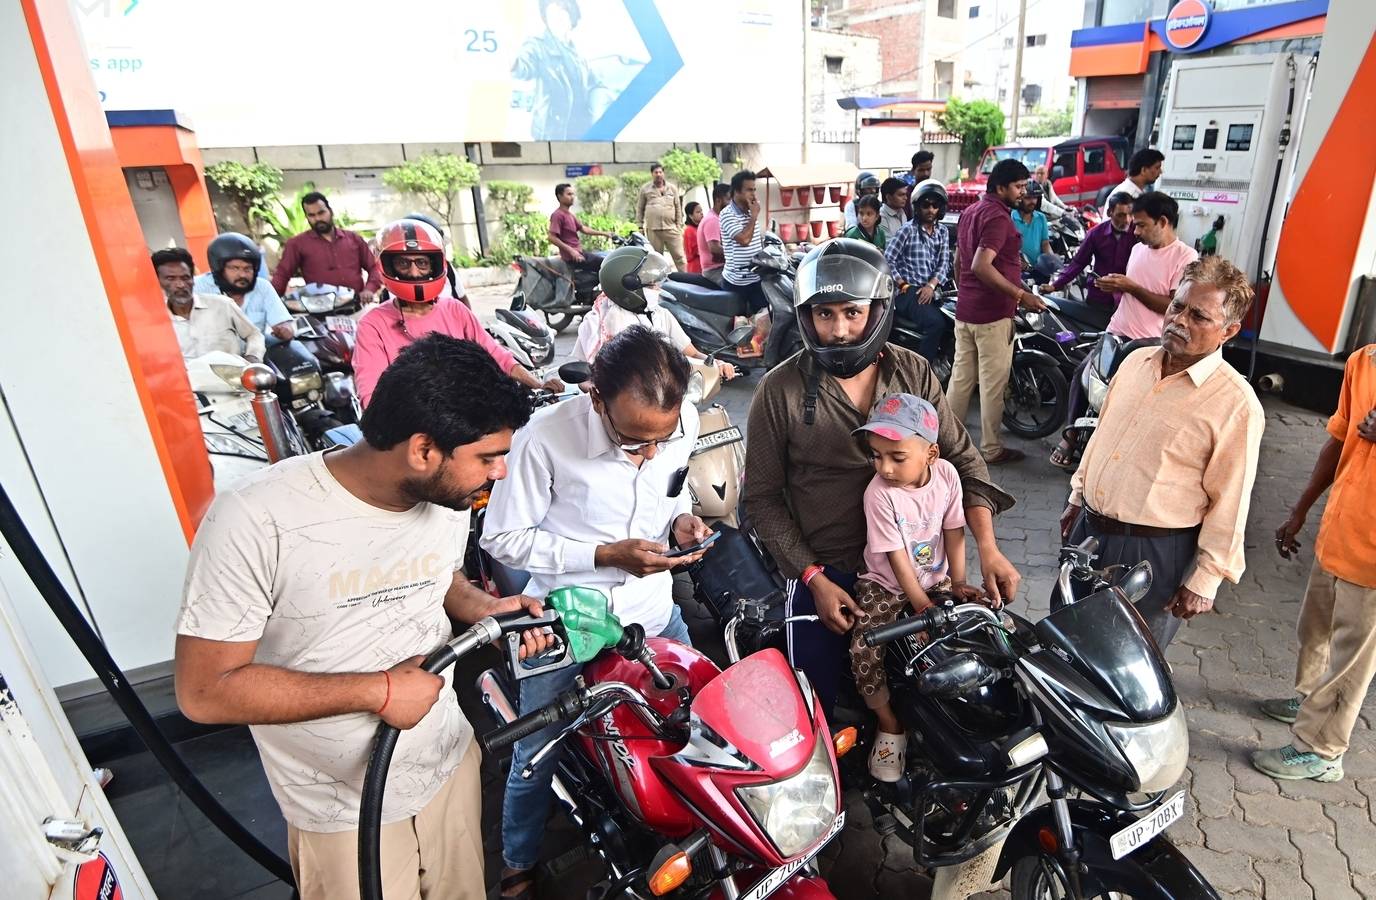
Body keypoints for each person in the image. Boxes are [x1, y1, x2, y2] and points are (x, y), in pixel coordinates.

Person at [173, 334, 552, 900]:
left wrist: (488, 610)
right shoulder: (255, 518)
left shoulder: (446, 496)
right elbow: (205, 691)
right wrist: (378, 691)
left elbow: (440, 579)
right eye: (487, 457)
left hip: (446, 766)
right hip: (341, 805)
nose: (500, 472)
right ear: (423, 450)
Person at [482, 326, 712, 900]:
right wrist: (602, 556)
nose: (650, 451)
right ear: (595, 399)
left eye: (661, 438)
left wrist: (682, 522)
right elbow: (502, 538)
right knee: (536, 749)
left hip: (652, 612)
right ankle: (518, 859)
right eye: (633, 440)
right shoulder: (543, 439)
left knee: (705, 718)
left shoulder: (679, 423)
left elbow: (672, 491)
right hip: (564, 621)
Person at [745, 239, 1018, 718]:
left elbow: (963, 460)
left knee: (955, 691)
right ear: (806, 316)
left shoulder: (913, 371)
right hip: (825, 567)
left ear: (878, 310)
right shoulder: (779, 389)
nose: (839, 330)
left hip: (917, 567)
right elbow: (762, 499)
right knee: (811, 697)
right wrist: (813, 578)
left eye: (852, 313)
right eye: (824, 315)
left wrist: (990, 548)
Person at [1060, 256, 1263, 649]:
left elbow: (1231, 500)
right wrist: (1076, 497)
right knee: (1066, 642)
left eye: (1198, 316)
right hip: (1088, 531)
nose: (1179, 321)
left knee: (1123, 659)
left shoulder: (1236, 403)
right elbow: (1102, 437)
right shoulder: (1135, 362)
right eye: (1177, 306)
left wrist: (1205, 580)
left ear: (1229, 331)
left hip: (1151, 554)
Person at [1256, 345, 1376, 783]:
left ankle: (1321, 750)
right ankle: (1309, 699)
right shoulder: (1363, 361)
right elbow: (1339, 441)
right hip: (1341, 530)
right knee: (1316, 630)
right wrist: (1300, 509)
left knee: (1350, 660)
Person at [850, 394, 982, 781]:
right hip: (886, 585)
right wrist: (922, 606)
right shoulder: (878, 493)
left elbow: (954, 531)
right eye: (876, 456)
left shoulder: (948, 476)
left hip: (935, 579)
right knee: (863, 646)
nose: (884, 468)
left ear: (931, 454)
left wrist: (959, 583)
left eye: (897, 457)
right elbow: (896, 560)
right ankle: (889, 723)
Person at [353, 219, 562, 406]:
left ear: (435, 265)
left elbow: (496, 355)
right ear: (388, 266)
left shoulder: (455, 310)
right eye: (403, 263)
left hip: (469, 416)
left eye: (422, 263)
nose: (414, 272)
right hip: (414, 426)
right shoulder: (373, 324)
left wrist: (537, 384)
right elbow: (372, 395)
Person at [946, 159, 1046, 465]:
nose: (1023, 192)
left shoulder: (971, 212)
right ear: (1001, 187)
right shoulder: (998, 217)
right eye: (1018, 186)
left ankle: (945, 443)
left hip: (966, 311)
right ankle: (991, 449)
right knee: (993, 384)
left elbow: (959, 263)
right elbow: (980, 265)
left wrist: (967, 293)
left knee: (961, 379)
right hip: (992, 315)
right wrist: (1021, 295)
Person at [572, 245, 736, 380]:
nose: (658, 289)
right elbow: (588, 379)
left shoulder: (661, 314)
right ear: (628, 287)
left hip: (668, 393)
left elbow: (692, 353)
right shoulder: (598, 322)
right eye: (651, 285)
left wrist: (717, 363)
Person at [1096, 193, 1199, 341]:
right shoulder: (1137, 249)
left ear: (1162, 222)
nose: (1135, 231)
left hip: (1145, 343)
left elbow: (1174, 307)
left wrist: (1131, 287)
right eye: (1135, 225)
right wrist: (1117, 285)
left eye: (1141, 225)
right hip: (1114, 331)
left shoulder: (1185, 256)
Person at [511, 0, 603, 140]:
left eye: (562, 13)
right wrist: (511, 62)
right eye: (552, 15)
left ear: (571, 15)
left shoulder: (578, 54)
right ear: (546, 20)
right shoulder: (538, 46)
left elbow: (593, 85)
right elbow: (523, 68)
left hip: (580, 134)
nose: (557, 19)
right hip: (552, 136)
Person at [270, 192, 383, 302]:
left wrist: (369, 289)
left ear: (331, 211)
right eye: (312, 215)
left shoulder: (353, 239)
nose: (317, 219)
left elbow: (375, 267)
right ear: (307, 217)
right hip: (320, 308)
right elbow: (282, 274)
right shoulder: (297, 244)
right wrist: (270, 301)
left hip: (357, 304)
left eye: (321, 213)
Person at [156, 247, 265, 362]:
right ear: (158, 281)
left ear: (193, 279)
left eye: (185, 278)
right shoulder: (154, 323)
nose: (180, 285)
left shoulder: (223, 305)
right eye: (171, 279)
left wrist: (253, 357)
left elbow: (254, 334)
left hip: (231, 373)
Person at [884, 179, 952, 362]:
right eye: (926, 205)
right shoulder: (907, 231)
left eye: (935, 205)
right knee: (935, 323)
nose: (930, 210)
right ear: (917, 207)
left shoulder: (943, 232)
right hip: (908, 291)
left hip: (932, 290)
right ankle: (923, 369)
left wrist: (931, 285)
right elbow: (888, 259)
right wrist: (903, 285)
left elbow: (944, 262)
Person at [1041, 191, 1139, 309]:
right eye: (1121, 215)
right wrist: (1055, 285)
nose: (1127, 220)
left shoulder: (1138, 234)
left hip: (1129, 297)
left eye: (1130, 215)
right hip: (1100, 297)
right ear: (1110, 212)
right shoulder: (1096, 234)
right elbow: (1078, 263)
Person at [195, 233, 295, 345]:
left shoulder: (262, 287)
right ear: (218, 268)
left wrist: (285, 330)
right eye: (235, 268)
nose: (242, 275)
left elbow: (283, 322)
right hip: (211, 353)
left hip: (255, 352)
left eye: (248, 269)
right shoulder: (197, 287)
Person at [719, 170, 768, 315]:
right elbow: (744, 240)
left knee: (763, 318)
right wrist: (754, 216)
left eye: (754, 190)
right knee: (737, 323)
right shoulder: (727, 214)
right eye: (749, 190)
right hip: (737, 282)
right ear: (736, 191)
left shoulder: (751, 211)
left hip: (756, 277)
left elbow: (756, 240)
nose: (753, 194)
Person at [548, 182, 614, 273]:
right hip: (573, 257)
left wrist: (605, 233)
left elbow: (583, 229)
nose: (572, 197)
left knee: (606, 258)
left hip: (579, 252)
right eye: (569, 194)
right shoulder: (557, 215)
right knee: (606, 264)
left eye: (573, 194)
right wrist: (572, 251)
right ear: (560, 196)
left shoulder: (570, 215)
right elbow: (552, 237)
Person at [636, 163, 686, 270]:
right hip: (654, 229)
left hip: (671, 228)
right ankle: (659, 279)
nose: (658, 174)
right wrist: (640, 226)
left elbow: (678, 207)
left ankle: (686, 277)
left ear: (663, 173)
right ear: (652, 174)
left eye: (660, 172)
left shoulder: (672, 188)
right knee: (656, 259)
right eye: (656, 172)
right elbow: (640, 208)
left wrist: (679, 225)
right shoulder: (645, 189)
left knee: (680, 257)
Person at [1102, 148, 1164, 217]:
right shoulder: (1127, 194)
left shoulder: (1137, 191)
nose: (1160, 172)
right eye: (1157, 168)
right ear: (1143, 170)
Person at [1011, 181, 1052, 266]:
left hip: (1038, 268)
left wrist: (1051, 259)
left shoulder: (1041, 218)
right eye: (1028, 198)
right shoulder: (1011, 218)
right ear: (1020, 199)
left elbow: (1045, 243)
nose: (1032, 201)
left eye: (1035, 198)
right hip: (1017, 267)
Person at [697, 183, 730, 284]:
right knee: (744, 285)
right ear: (718, 200)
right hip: (714, 270)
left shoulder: (718, 218)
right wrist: (737, 255)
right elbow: (714, 248)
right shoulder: (712, 220)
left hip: (721, 267)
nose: (732, 204)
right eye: (729, 199)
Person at [683, 201, 704, 273]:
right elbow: (695, 250)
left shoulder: (699, 227)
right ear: (690, 216)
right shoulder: (689, 230)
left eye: (701, 211)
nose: (701, 213)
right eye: (698, 212)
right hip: (696, 266)